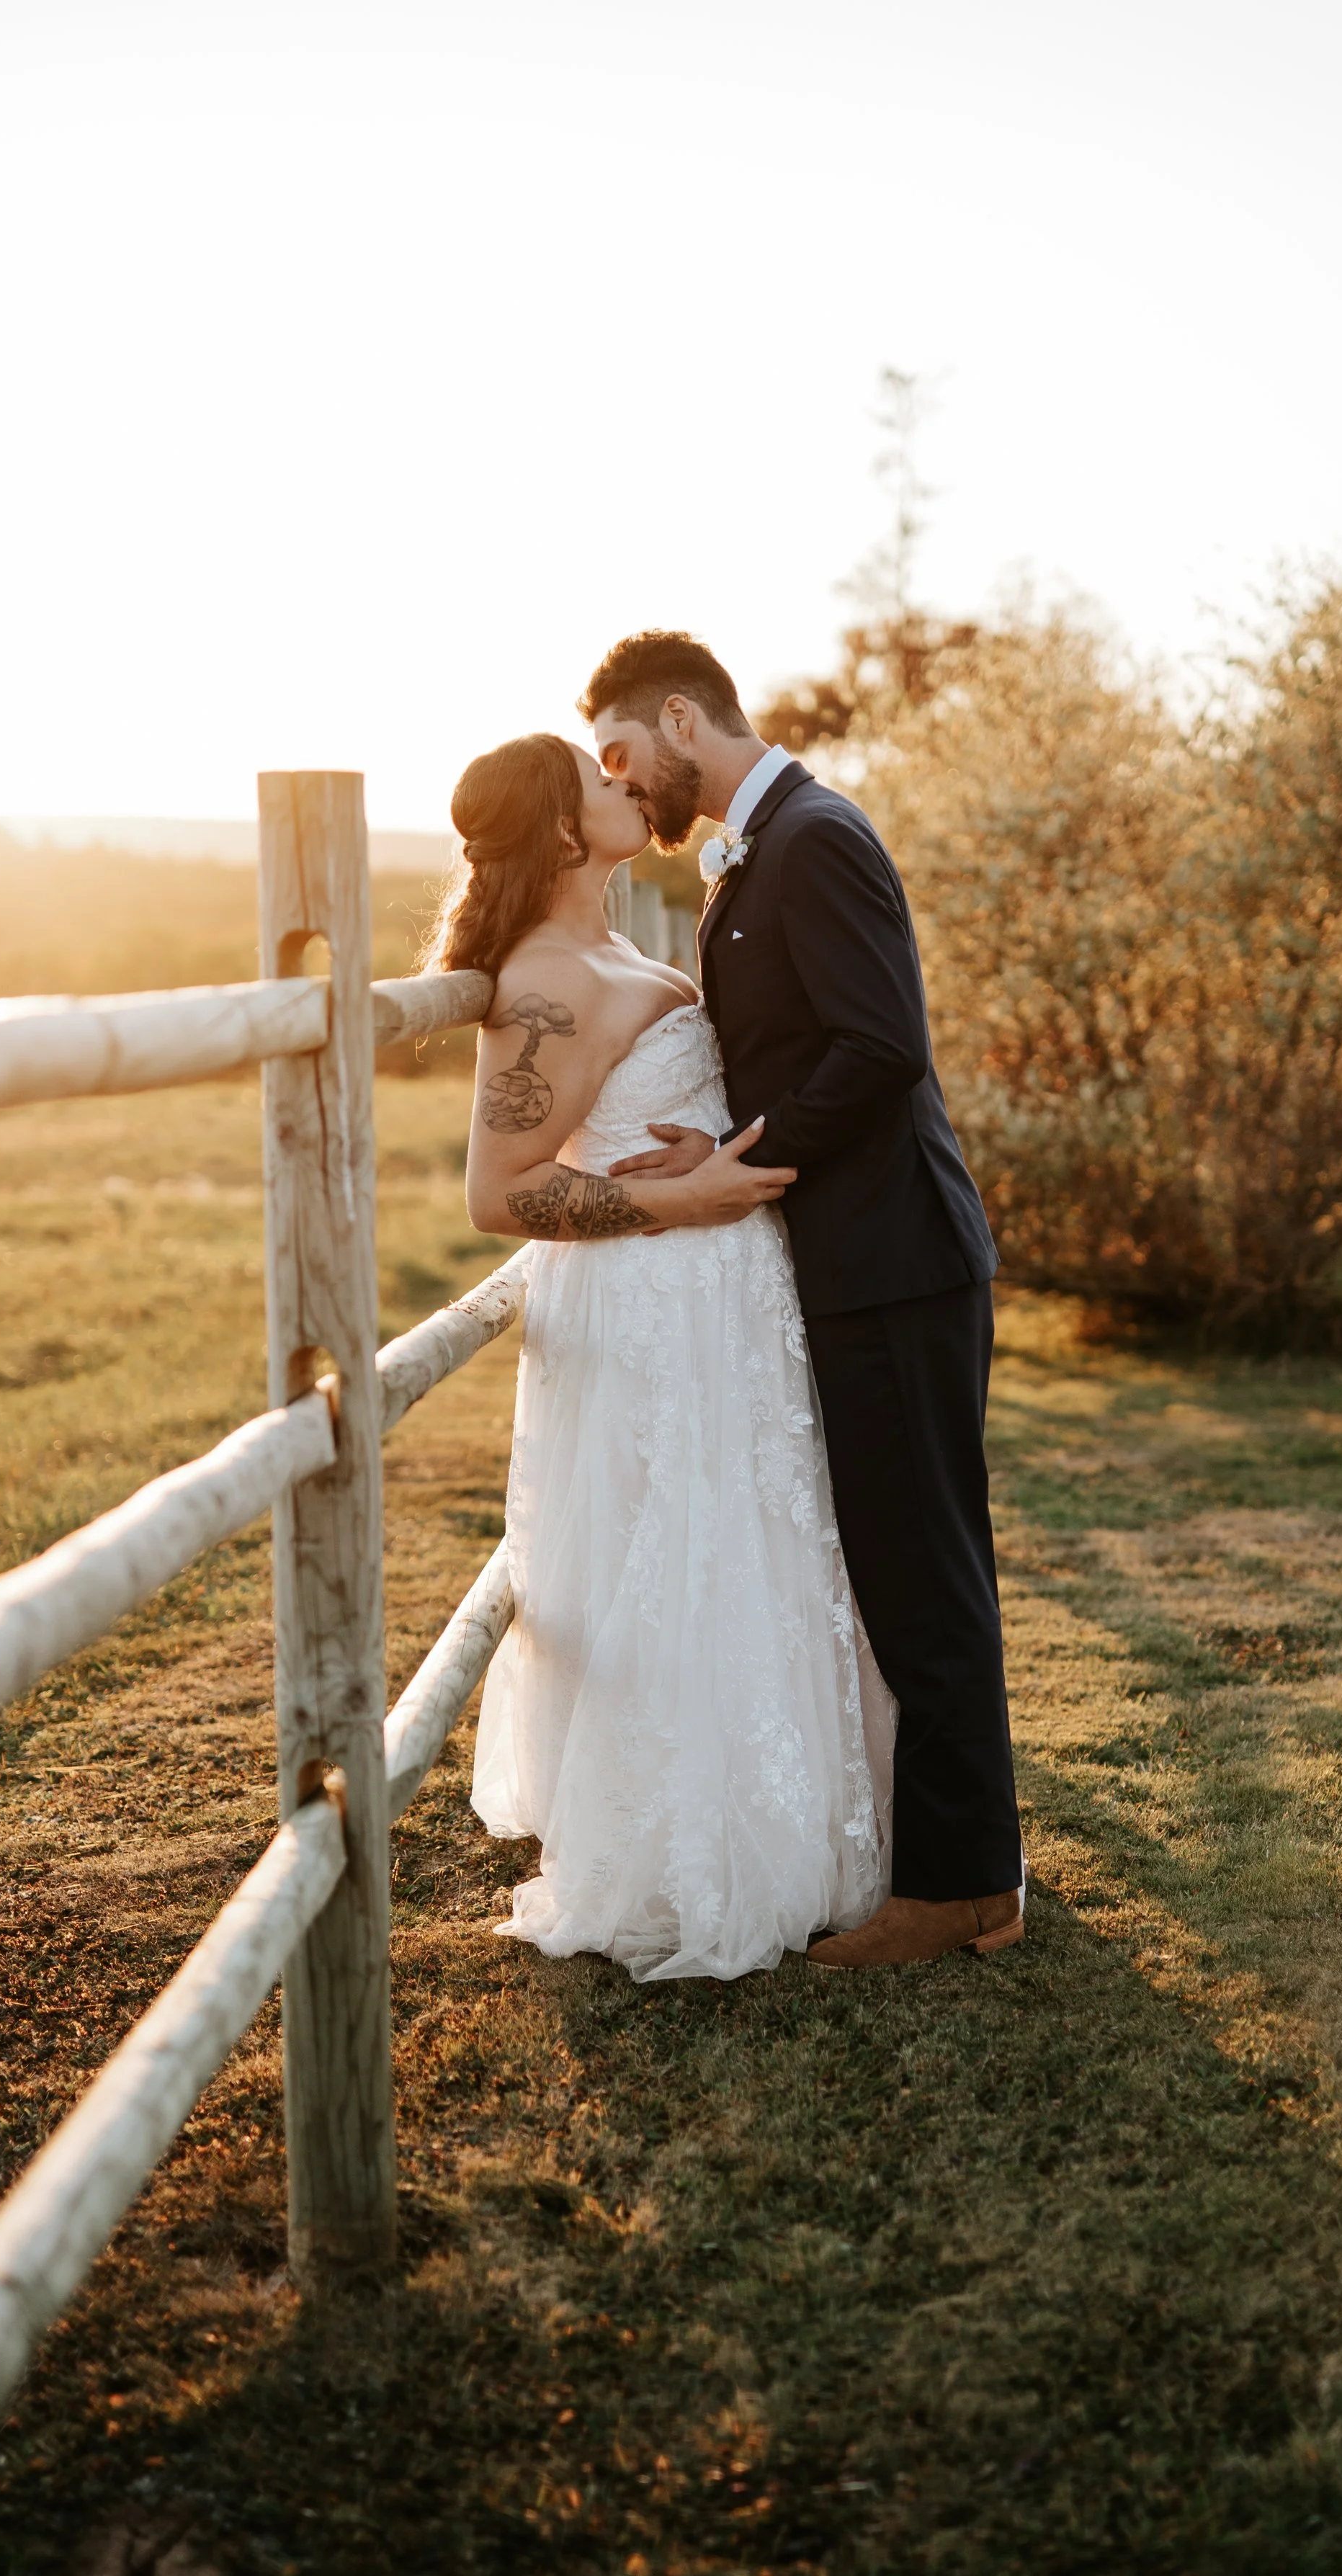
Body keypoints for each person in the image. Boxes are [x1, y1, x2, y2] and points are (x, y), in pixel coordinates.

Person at [581, 631, 1026, 1968]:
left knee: (922, 1569)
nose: (619, 780)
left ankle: (958, 1893)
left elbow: (882, 1047)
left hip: (892, 1261)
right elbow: (802, 1048)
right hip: (865, 1259)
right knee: (910, 1560)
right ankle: (968, 1865)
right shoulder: (757, 852)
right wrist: (709, 1147)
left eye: (618, 753)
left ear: (679, 719)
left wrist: (742, 1163)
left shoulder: (815, 837)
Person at [437, 730, 893, 1982]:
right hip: (656, 1293)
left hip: (721, 1295)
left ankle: (789, 1822)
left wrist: (701, 1148)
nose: (620, 782)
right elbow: (498, 1192)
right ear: (563, 829)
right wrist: (683, 1204)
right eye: (594, 780)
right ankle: (689, 1850)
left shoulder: (610, 945)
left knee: (751, 1541)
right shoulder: (546, 979)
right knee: (679, 1550)